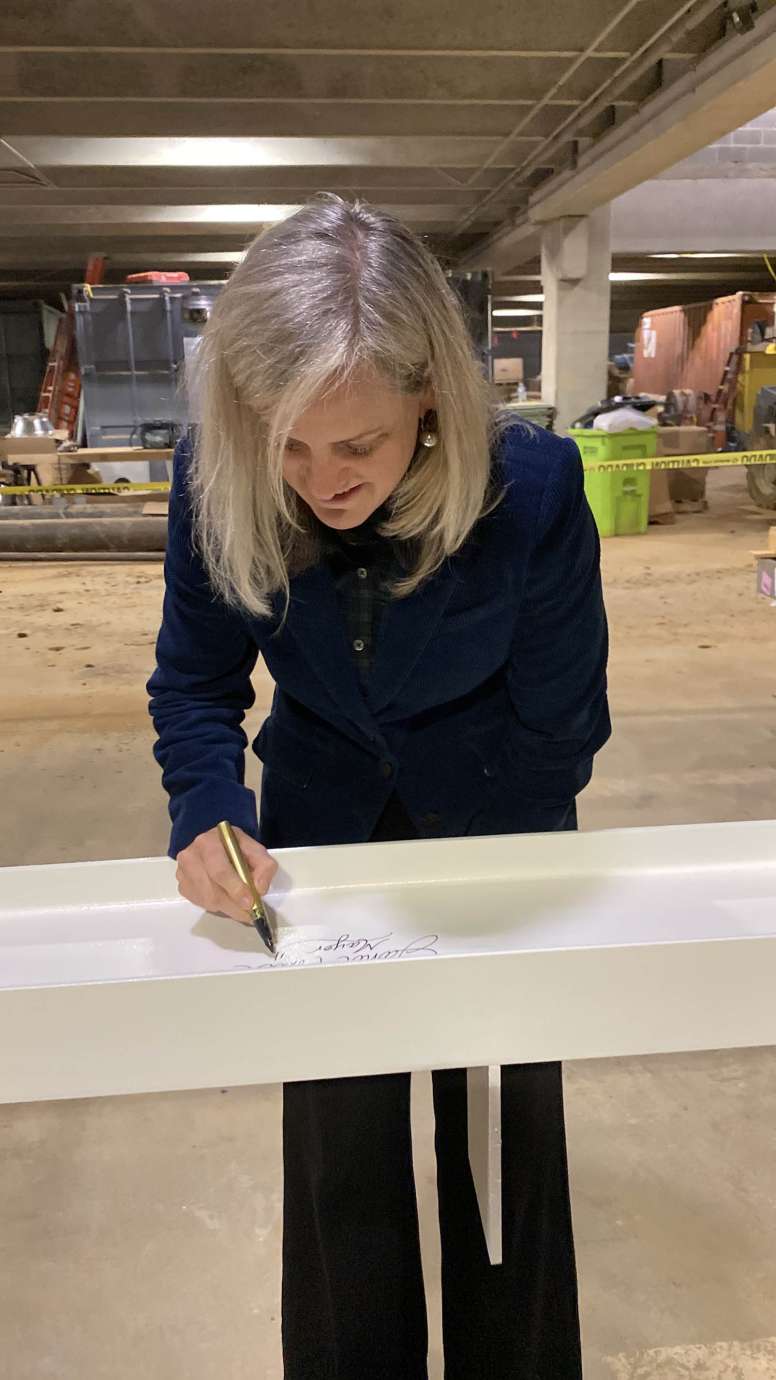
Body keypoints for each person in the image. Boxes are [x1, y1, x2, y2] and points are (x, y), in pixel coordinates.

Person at [146, 195, 610, 1380]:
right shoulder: (218, 470)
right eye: (285, 446)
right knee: (337, 1146)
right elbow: (197, 686)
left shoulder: (537, 492)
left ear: (428, 401)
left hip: (500, 833)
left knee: (504, 1151)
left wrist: (465, 887)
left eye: (355, 445)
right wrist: (209, 811)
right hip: (317, 845)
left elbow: (562, 724)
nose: (318, 482)